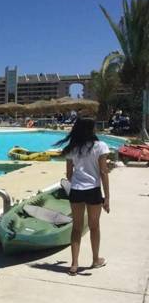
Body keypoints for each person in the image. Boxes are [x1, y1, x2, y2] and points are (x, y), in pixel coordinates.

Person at [54, 118, 110, 276]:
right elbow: (104, 172)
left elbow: (69, 175)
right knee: (94, 226)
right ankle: (95, 259)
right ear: (91, 130)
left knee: (76, 228)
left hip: (77, 190)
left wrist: (78, 183)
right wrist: (107, 198)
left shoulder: (72, 148)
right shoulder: (100, 146)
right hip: (93, 190)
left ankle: (74, 264)